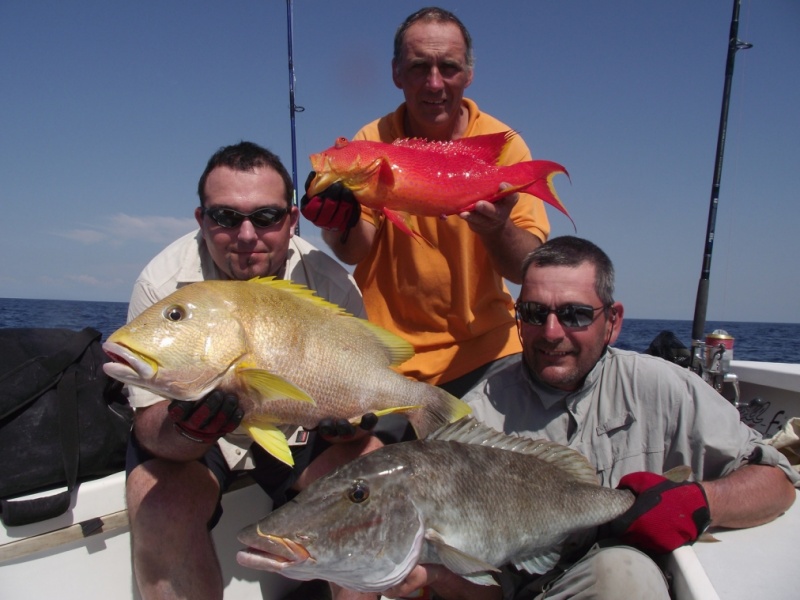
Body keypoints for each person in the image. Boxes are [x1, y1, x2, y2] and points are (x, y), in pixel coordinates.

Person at [377, 236, 799, 600]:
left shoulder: (665, 387)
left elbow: (775, 479)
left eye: (575, 314)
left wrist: (700, 501)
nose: (552, 332)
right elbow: (487, 587)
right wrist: (437, 577)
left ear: (612, 322)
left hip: (635, 581)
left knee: (621, 572)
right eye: (534, 313)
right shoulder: (478, 416)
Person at [124, 141, 376, 600]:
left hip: (297, 426)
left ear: (292, 219)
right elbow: (149, 428)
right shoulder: (161, 286)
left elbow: (355, 393)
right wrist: (188, 428)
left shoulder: (333, 285)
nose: (245, 234)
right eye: (224, 217)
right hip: (202, 445)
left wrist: (351, 429)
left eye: (266, 217)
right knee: (156, 503)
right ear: (201, 220)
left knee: (374, 482)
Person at [301, 6, 557, 398]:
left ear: (469, 75)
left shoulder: (502, 145)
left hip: (486, 352)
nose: (434, 83)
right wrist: (337, 223)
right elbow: (354, 252)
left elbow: (525, 269)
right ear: (396, 73)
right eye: (420, 67)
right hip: (387, 357)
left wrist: (498, 228)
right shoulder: (373, 139)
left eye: (449, 67)